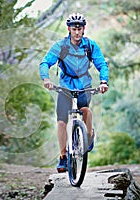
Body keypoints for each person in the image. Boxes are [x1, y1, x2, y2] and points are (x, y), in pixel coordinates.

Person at [39, 13, 109, 173]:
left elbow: (102, 64)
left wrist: (104, 81)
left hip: (84, 84)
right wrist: (46, 78)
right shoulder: (61, 46)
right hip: (65, 86)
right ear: (69, 29)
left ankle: (88, 134)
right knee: (62, 122)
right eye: (74, 29)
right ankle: (63, 156)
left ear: (84, 29)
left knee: (85, 111)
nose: (77, 32)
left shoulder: (90, 46)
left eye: (79, 29)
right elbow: (45, 62)